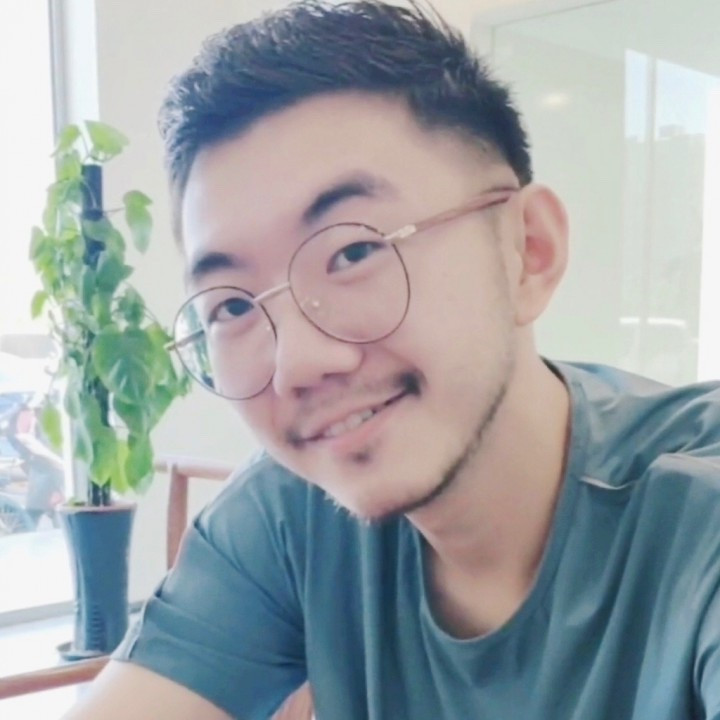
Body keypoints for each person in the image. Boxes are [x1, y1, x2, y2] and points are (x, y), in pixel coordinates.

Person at [63, 1, 720, 718]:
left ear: (527, 251)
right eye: (233, 308)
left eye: (353, 252)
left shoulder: (693, 518)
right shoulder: (292, 515)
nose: (295, 365)